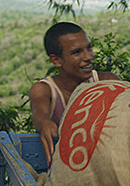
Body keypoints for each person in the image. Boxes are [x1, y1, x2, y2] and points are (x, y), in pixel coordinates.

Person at [29, 21, 120, 165]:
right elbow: (39, 113)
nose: (88, 57)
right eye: (77, 52)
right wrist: (44, 123)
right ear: (56, 60)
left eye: (89, 48)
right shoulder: (45, 89)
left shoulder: (107, 81)